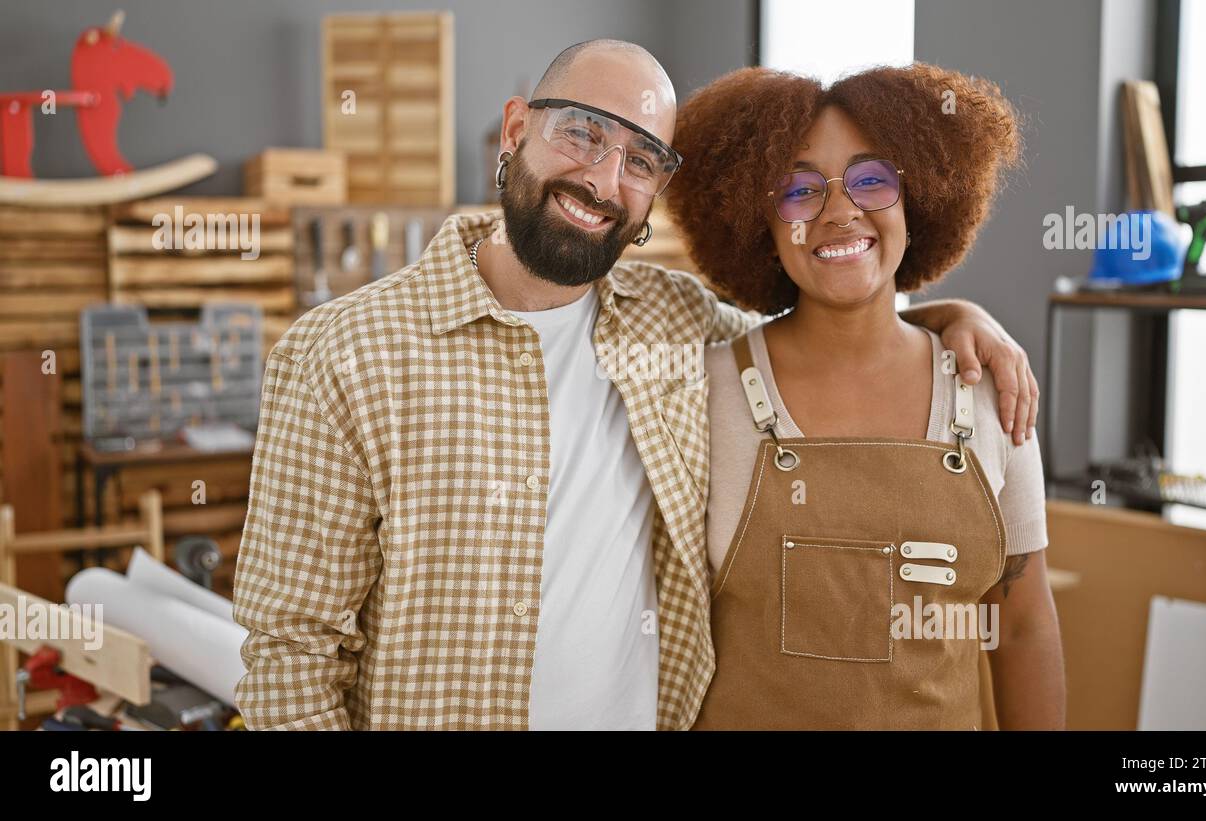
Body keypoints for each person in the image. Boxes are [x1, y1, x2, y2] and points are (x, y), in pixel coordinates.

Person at [232, 40, 1041, 730]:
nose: (602, 179)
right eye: (582, 133)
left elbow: (836, 323)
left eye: (641, 159)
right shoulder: (343, 354)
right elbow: (290, 654)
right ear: (516, 130)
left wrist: (951, 317)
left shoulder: (677, 325)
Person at [663, 64, 1065, 729]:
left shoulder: (990, 388)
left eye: (871, 179)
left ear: (921, 199)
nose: (840, 209)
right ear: (757, 221)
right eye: (798, 189)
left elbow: (1021, 625)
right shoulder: (701, 391)